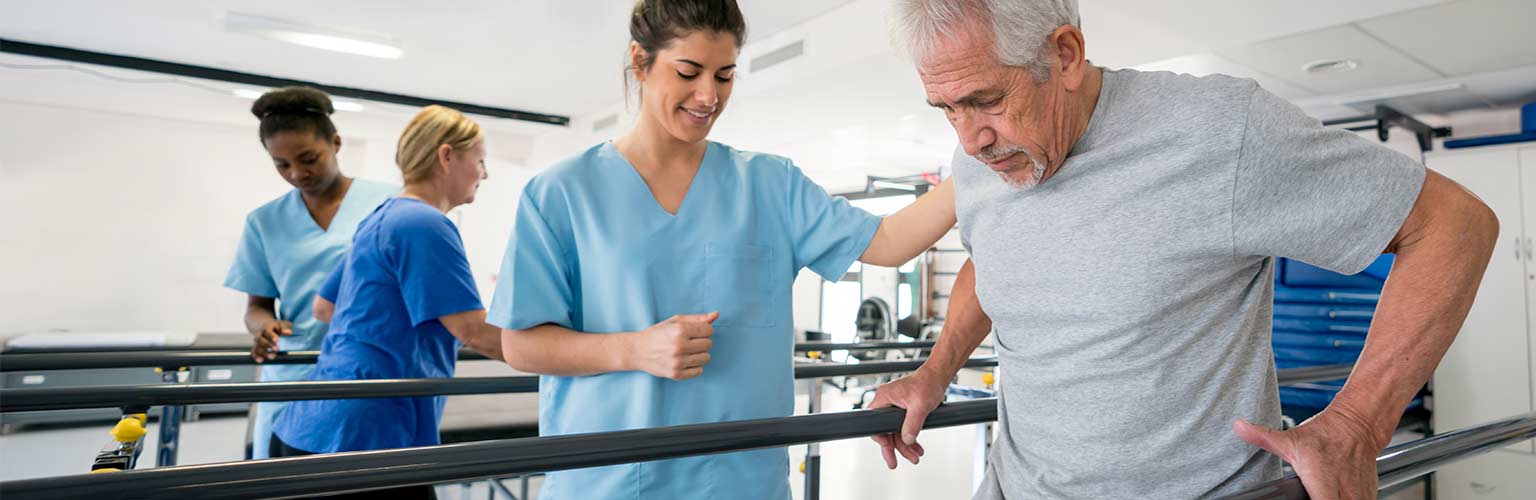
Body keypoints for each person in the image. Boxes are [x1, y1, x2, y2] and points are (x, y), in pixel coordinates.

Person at [867, 1, 1499, 499]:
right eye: (947, 109)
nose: (970, 137)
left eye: (986, 100)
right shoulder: (980, 159)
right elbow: (992, 260)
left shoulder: (1217, 132)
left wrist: (1358, 426)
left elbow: (1454, 227)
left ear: (1064, 54)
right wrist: (935, 370)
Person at [487, 1, 957, 498]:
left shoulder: (770, 184)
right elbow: (520, 344)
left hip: (742, 481)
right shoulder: (562, 194)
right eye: (688, 72)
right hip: (607, 481)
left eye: (725, 75)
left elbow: (887, 241)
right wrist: (632, 348)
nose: (708, 95)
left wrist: (977, 147)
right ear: (640, 62)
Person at [270, 106, 502, 479]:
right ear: (446, 156)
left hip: (314, 423)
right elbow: (474, 331)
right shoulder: (425, 224)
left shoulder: (380, 218)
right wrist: (566, 359)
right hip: (367, 437)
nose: (484, 173)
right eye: (480, 160)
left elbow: (325, 307)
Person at [223, 86, 397, 459]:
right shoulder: (264, 222)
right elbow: (257, 306)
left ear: (336, 143)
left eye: (308, 158)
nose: (297, 173)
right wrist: (263, 328)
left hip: (367, 367)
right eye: (281, 164)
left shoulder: (391, 203)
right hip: (295, 370)